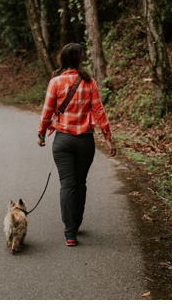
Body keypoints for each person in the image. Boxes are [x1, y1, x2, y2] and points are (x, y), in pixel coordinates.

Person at [37, 43, 117, 247]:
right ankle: (76, 223)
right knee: (80, 183)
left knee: (67, 184)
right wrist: (108, 137)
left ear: (63, 59)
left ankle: (69, 232)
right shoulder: (89, 83)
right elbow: (99, 111)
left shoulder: (55, 82)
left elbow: (47, 111)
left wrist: (42, 133)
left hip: (62, 140)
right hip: (84, 141)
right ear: (79, 59)